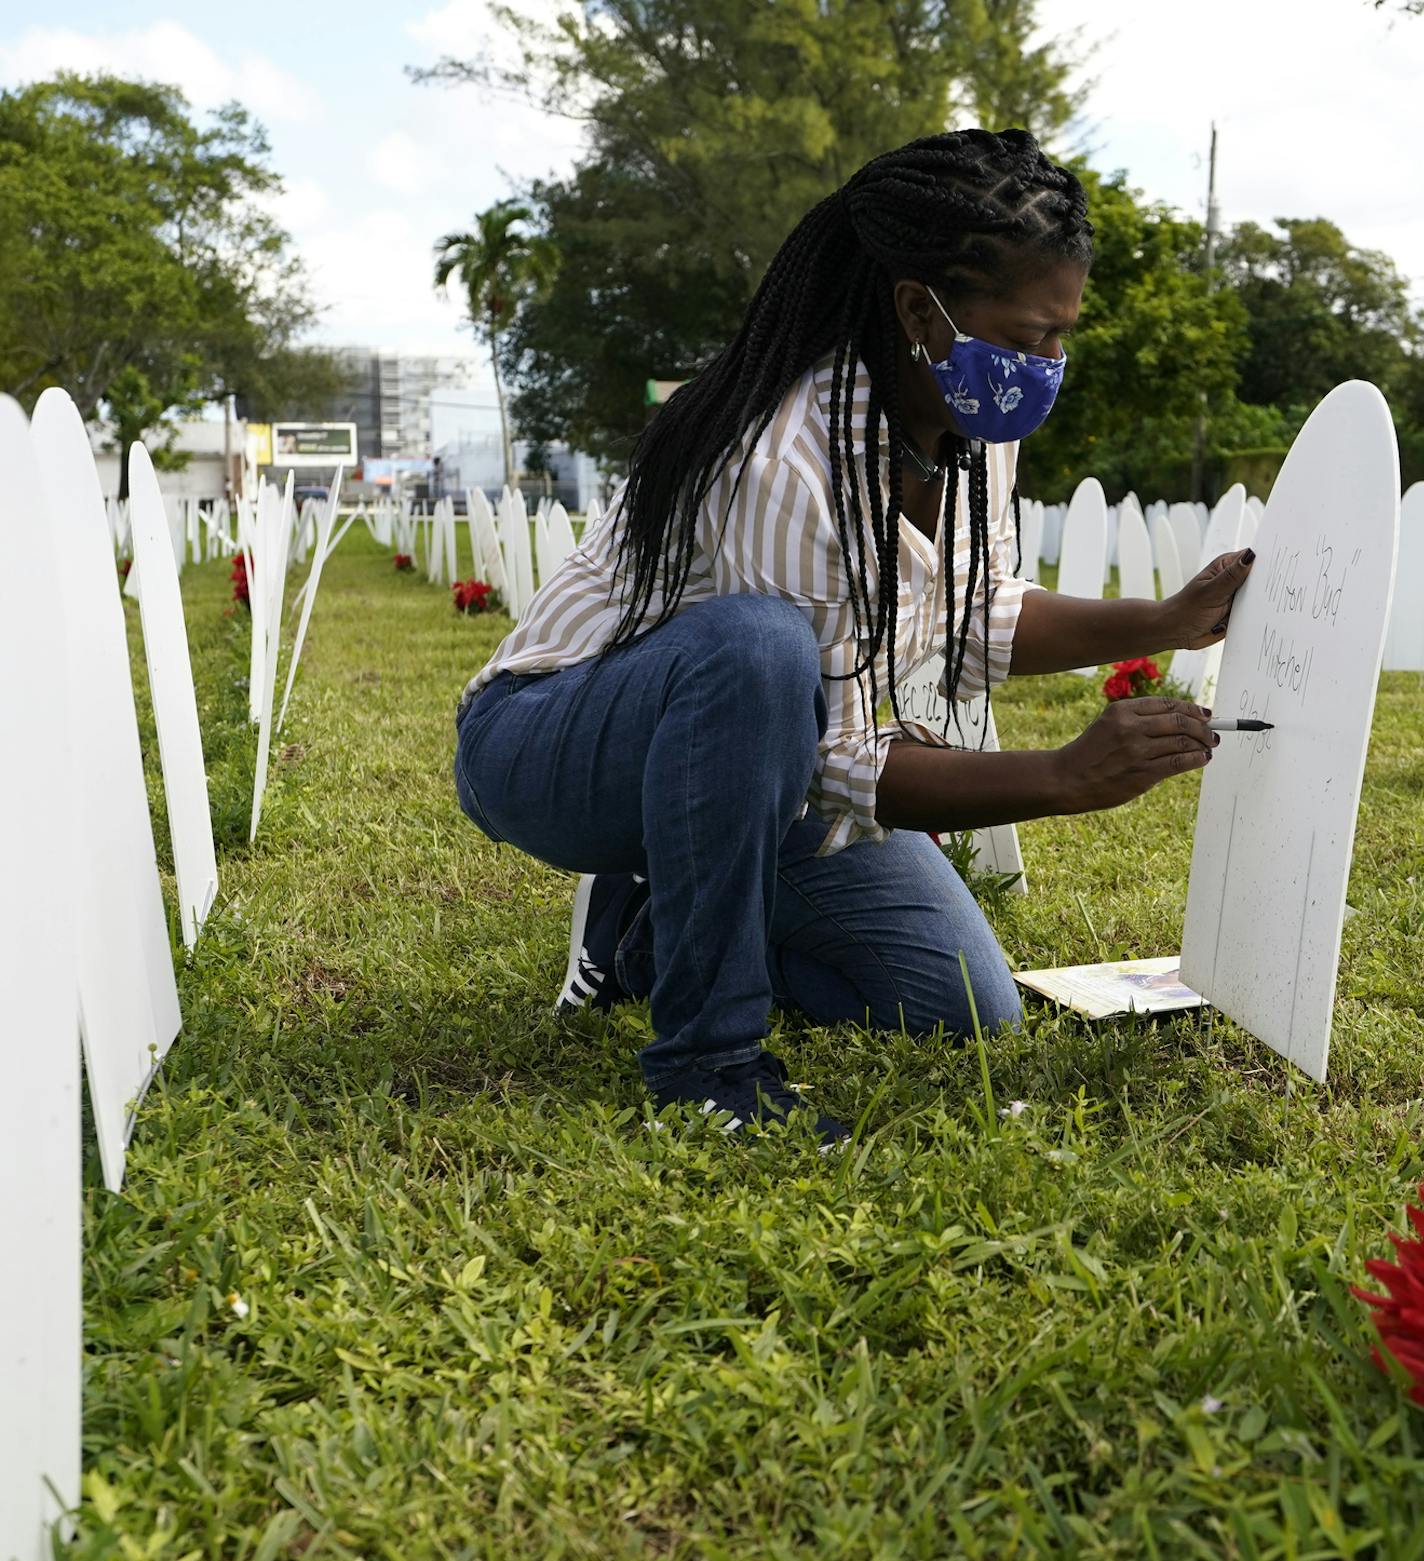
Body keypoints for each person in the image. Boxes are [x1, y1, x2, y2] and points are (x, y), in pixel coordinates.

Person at [453, 128, 1254, 1143]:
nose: (1049, 364)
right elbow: (838, 757)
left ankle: (645, 936)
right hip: (557, 739)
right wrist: (1061, 776)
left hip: (758, 758)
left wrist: (1165, 618)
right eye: (1029, 335)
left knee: (962, 1000)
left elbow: (973, 611)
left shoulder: (969, 432)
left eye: (1063, 336)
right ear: (922, 310)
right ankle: (709, 1066)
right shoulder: (782, 456)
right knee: (757, 647)